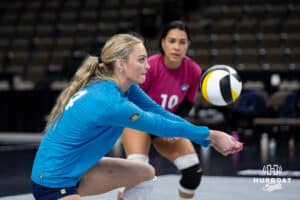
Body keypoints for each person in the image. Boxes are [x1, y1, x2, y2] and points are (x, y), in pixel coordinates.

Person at [31, 33, 243, 200]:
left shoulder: (123, 87)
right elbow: (158, 125)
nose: (148, 65)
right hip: (52, 181)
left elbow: (160, 113)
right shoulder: (110, 102)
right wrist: (211, 136)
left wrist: (209, 135)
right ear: (121, 64)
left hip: (80, 169)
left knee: (145, 174)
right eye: (141, 60)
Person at [120, 20, 228, 199]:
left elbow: (187, 104)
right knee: (137, 173)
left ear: (188, 45)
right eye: (172, 41)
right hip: (139, 121)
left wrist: (170, 127)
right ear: (163, 43)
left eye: (182, 42)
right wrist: (153, 123)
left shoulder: (193, 70)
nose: (176, 47)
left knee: (193, 172)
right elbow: (133, 100)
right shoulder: (150, 66)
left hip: (166, 124)